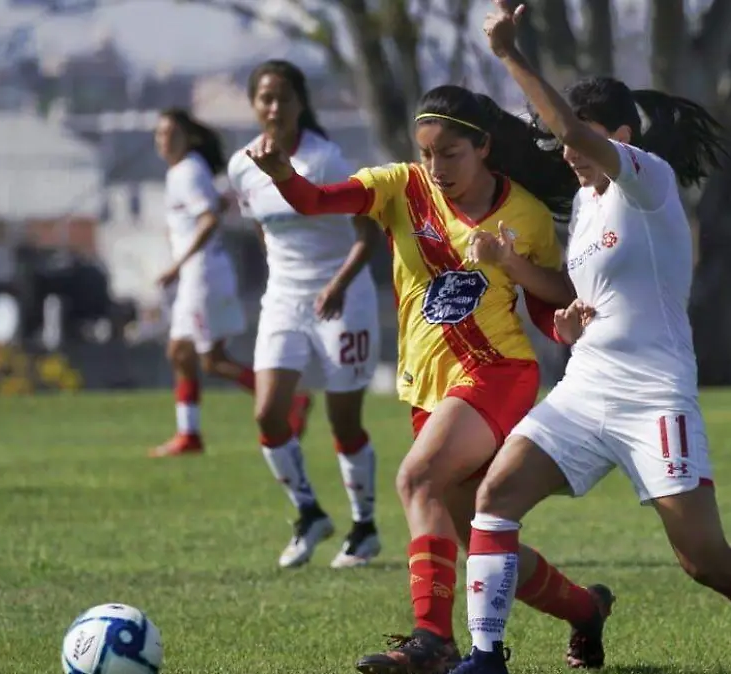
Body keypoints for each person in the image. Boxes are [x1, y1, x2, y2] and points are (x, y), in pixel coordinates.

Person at [447, 4, 731, 674]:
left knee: (705, 562)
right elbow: (581, 294)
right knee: (494, 498)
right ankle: (485, 658)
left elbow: (567, 126)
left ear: (622, 136)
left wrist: (510, 52)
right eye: (564, 144)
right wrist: (544, 293)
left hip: (655, 401)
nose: (566, 150)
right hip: (586, 390)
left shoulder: (647, 181)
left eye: (580, 139)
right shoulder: (591, 206)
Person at [246, 82, 611, 674]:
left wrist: (546, 306)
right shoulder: (399, 188)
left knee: (416, 480)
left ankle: (433, 642)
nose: (435, 167)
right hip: (429, 387)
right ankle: (585, 609)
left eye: (449, 154)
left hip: (498, 371)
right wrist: (284, 174)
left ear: (483, 147)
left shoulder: (525, 214)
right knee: (481, 539)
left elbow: (551, 302)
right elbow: (315, 201)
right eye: (426, 153)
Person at [226, 60, 385, 569]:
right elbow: (261, 228)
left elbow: (368, 235)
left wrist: (337, 283)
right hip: (285, 300)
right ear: (254, 104)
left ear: (300, 103)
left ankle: (364, 528)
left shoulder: (326, 161)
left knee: (345, 420)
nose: (275, 107)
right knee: (268, 413)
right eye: (265, 98)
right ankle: (309, 513)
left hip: (343, 297)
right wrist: (282, 278)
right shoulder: (240, 166)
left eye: (284, 98)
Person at [149, 108, 309, 457]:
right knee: (182, 352)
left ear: (188, 137)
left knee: (209, 359)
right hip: (198, 273)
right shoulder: (185, 170)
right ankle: (188, 434)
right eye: (159, 134)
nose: (163, 141)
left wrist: (177, 264)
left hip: (202, 274)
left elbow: (208, 218)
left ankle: (291, 401)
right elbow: (213, 207)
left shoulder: (187, 171)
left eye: (170, 133)